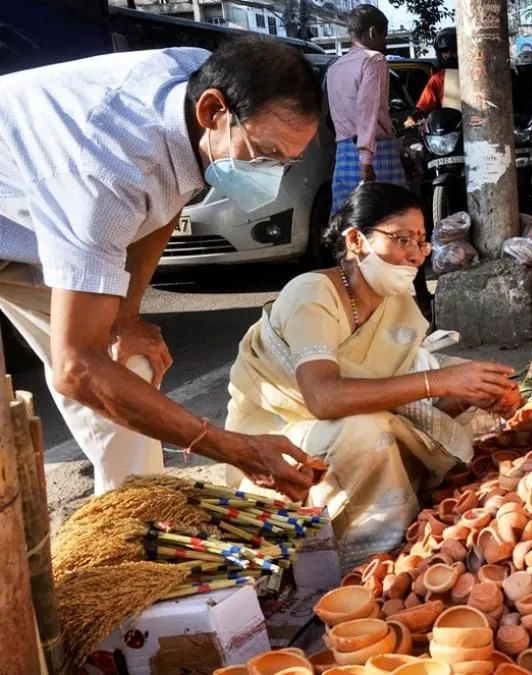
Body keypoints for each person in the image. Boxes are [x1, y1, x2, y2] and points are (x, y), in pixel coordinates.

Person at [0, 37, 320, 498]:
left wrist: (125, 319)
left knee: (128, 367)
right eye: (266, 155)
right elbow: (76, 367)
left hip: (32, 223)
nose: (273, 175)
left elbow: (166, 196)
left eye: (288, 162)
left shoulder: (191, 76)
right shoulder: (104, 173)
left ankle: (134, 518)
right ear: (213, 112)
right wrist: (231, 447)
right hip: (42, 205)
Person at [225, 182, 519, 560]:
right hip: (277, 444)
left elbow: (410, 410)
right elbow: (323, 398)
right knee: (365, 429)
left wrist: (464, 395)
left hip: (350, 425)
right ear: (356, 240)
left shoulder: (395, 304)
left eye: (421, 241)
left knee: (465, 385)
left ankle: (411, 517)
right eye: (401, 240)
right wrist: (439, 381)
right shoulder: (312, 293)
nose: (414, 255)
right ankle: (364, 559)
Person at [328, 5, 405, 217]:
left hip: (343, 152)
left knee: (348, 216)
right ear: (372, 32)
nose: (384, 43)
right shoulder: (374, 60)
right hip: (375, 152)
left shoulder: (334, 67)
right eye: (384, 36)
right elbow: (367, 111)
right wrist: (366, 162)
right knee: (391, 215)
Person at [410, 27, 459, 123]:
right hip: (449, 133)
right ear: (439, 53)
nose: (449, 55)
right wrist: (413, 118)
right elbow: (423, 107)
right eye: (445, 51)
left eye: (454, 51)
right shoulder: (438, 79)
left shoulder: (476, 74)